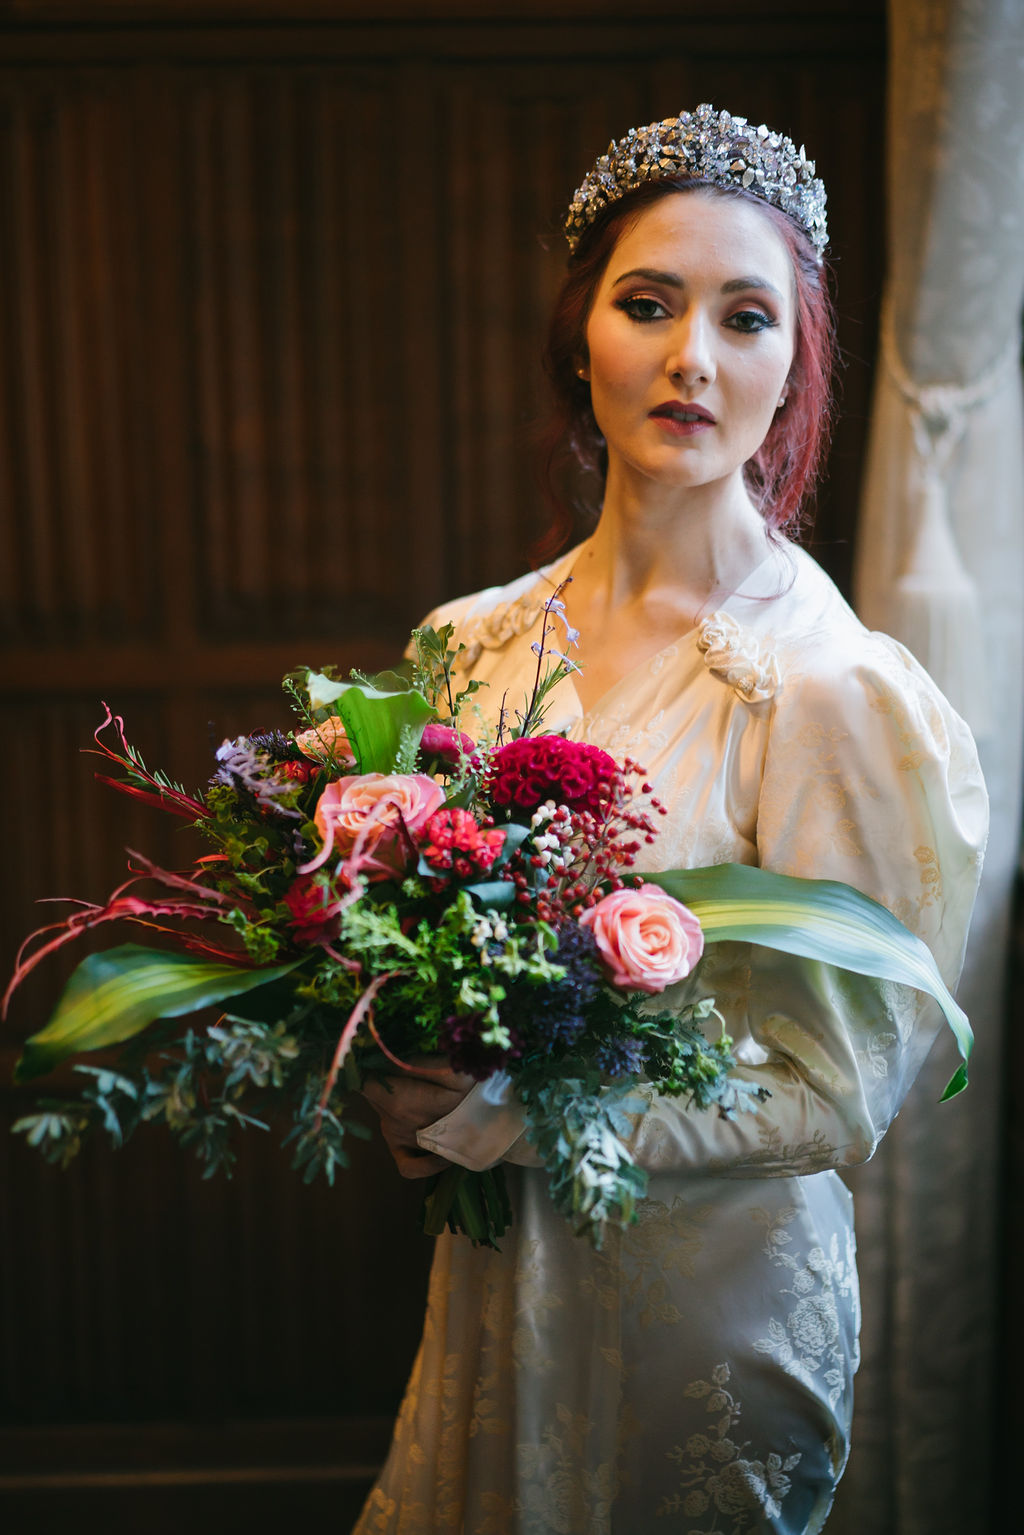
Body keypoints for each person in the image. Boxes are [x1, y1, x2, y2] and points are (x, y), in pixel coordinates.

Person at [355, 106, 987, 1534]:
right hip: (502, 1273)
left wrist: (504, 1118)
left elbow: (836, 1093)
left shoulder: (835, 692)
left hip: (711, 1312)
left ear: (791, 368)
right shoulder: (468, 649)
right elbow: (405, 967)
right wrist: (392, 1075)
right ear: (585, 339)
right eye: (649, 304)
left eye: (745, 317)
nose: (692, 356)